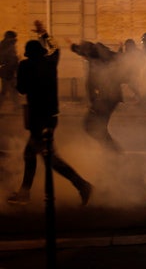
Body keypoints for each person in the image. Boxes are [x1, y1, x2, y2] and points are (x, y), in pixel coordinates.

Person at [8, 21, 92, 205]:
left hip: (37, 117)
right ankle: (25, 193)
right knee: (36, 155)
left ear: (28, 53)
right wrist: (44, 33)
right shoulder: (50, 62)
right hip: (52, 117)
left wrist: (16, 80)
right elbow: (56, 47)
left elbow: (21, 89)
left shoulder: (25, 66)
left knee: (45, 158)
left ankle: (82, 185)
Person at [71, 40, 124, 152]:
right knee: (99, 126)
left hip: (105, 98)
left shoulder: (95, 62)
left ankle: (113, 151)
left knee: (90, 125)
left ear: (87, 54)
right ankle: (112, 151)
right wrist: (72, 46)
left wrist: (93, 101)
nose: (83, 58)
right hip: (111, 97)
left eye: (83, 55)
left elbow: (91, 84)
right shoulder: (100, 53)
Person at [0, 30, 20, 110]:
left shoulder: (6, 45)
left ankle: (16, 105)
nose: (15, 39)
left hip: (8, 71)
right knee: (5, 91)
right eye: (14, 38)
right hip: (8, 71)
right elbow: (9, 58)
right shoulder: (6, 46)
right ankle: (16, 105)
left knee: (13, 89)